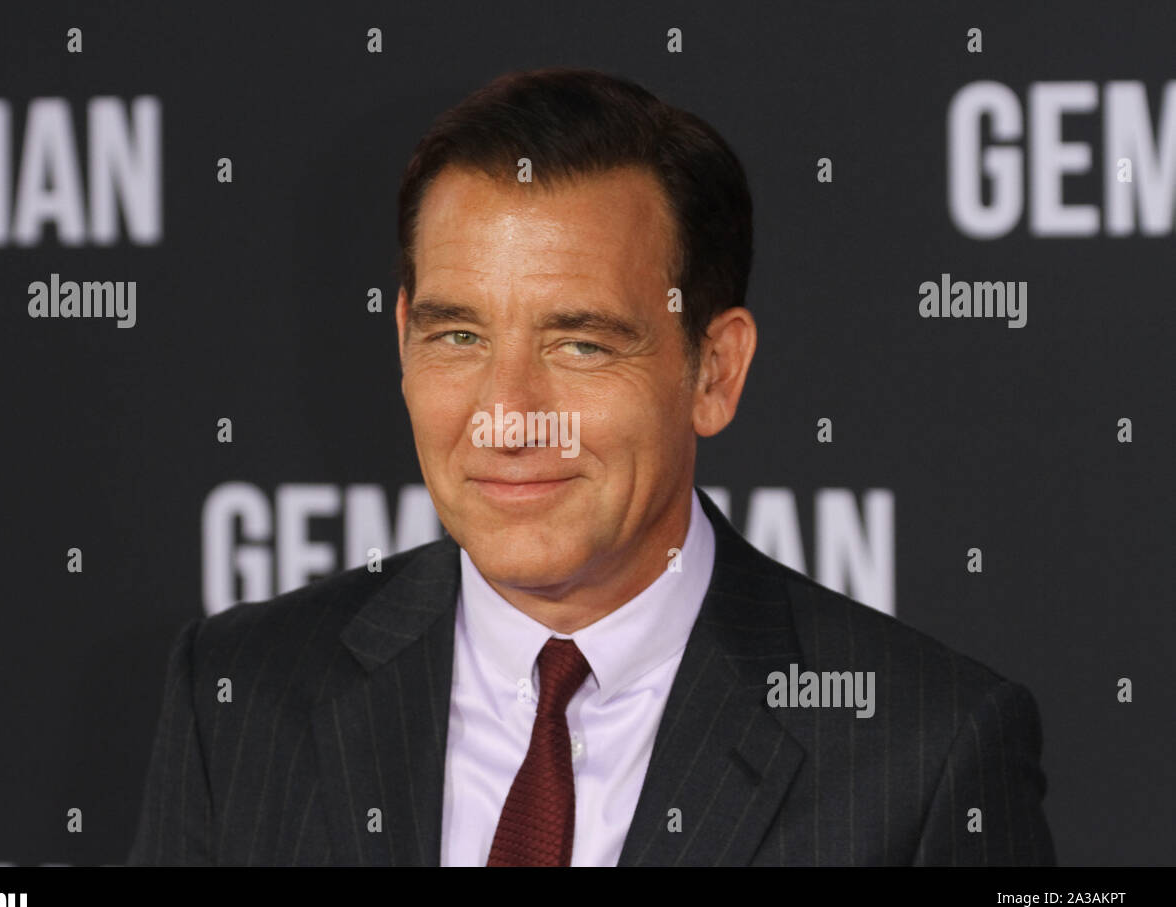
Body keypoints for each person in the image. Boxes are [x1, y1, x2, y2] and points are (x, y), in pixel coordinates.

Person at [127, 66, 1055, 866]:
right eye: (458, 336)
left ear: (714, 371)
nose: (509, 415)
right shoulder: (239, 697)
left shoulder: (922, 753)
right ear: (402, 342)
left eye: (581, 346)